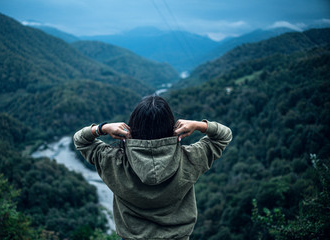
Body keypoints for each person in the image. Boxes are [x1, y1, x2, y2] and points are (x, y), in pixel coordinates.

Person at [73, 95, 232, 240]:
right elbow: (223, 136)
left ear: (132, 126)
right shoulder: (191, 158)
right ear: (172, 126)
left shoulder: (112, 161)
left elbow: (81, 140)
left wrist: (102, 128)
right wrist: (199, 125)